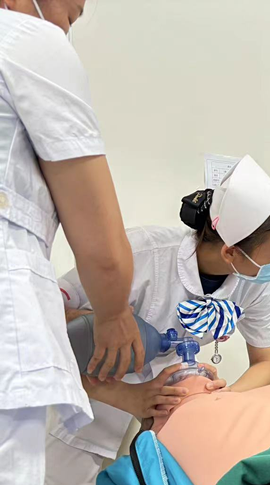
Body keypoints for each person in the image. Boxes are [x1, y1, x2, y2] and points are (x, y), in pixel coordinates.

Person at [46, 155, 270, 485]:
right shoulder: (142, 253)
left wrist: (222, 397)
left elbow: (266, 363)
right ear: (230, 252)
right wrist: (124, 391)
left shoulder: (254, 282)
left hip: (162, 418)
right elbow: (43, 318)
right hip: (86, 408)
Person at [0, 1, 145, 483]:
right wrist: (113, 314)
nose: (65, 30)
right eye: (70, 15)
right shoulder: (27, 41)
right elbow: (104, 252)